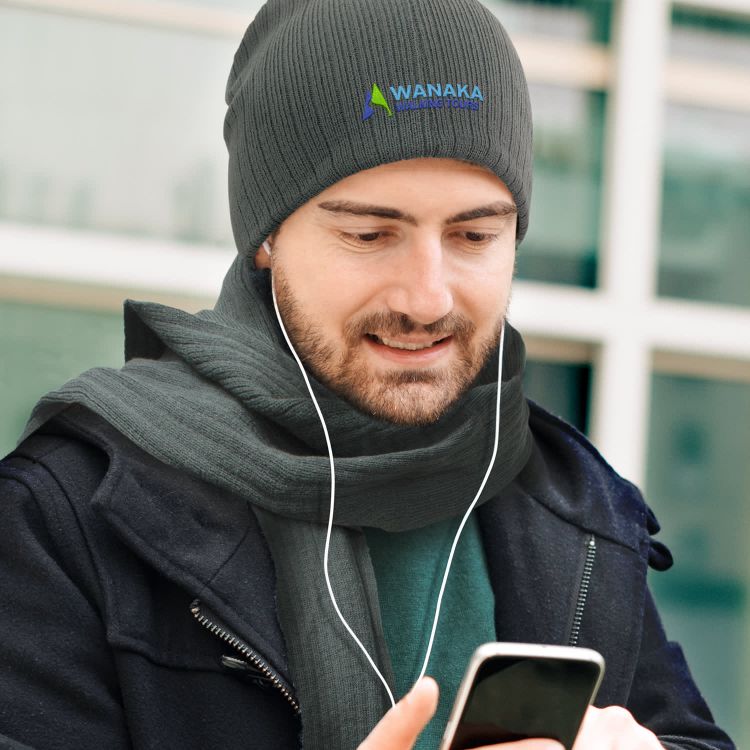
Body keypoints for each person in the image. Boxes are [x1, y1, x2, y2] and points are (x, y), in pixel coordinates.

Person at [0, 1, 736, 749]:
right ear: (268, 238)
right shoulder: (68, 516)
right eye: (369, 234)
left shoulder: (577, 514)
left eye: (474, 234)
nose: (427, 297)